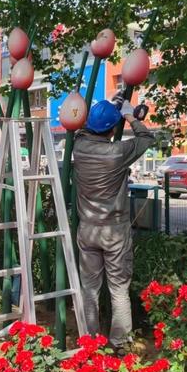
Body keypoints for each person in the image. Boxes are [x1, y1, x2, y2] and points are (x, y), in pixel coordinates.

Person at [73, 98, 155, 352]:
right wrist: (131, 116)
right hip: (114, 231)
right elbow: (146, 139)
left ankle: (90, 341)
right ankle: (119, 344)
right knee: (118, 289)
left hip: (87, 229)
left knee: (90, 289)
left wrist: (114, 110)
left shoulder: (79, 146)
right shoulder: (117, 152)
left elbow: (85, 128)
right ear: (111, 130)